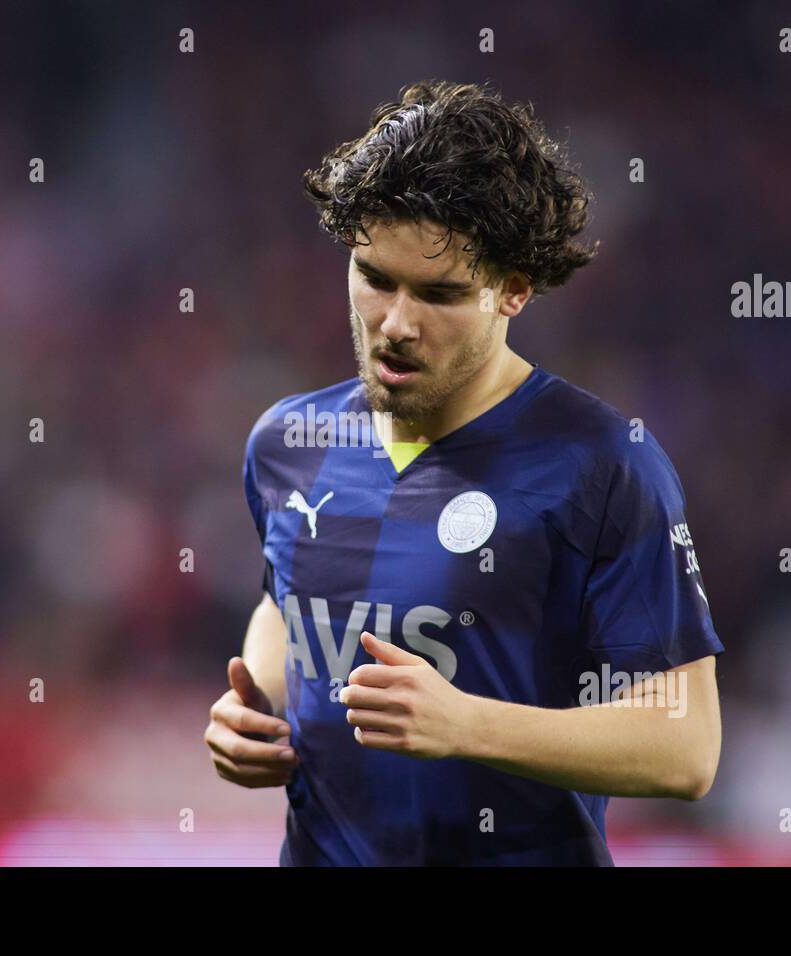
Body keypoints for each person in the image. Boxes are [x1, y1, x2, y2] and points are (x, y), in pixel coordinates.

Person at [204, 80, 723, 865]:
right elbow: (288, 602)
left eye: (440, 294)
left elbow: (686, 748)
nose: (397, 324)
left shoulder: (603, 465)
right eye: (375, 278)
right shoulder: (288, 442)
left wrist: (465, 725)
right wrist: (258, 713)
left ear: (514, 290)